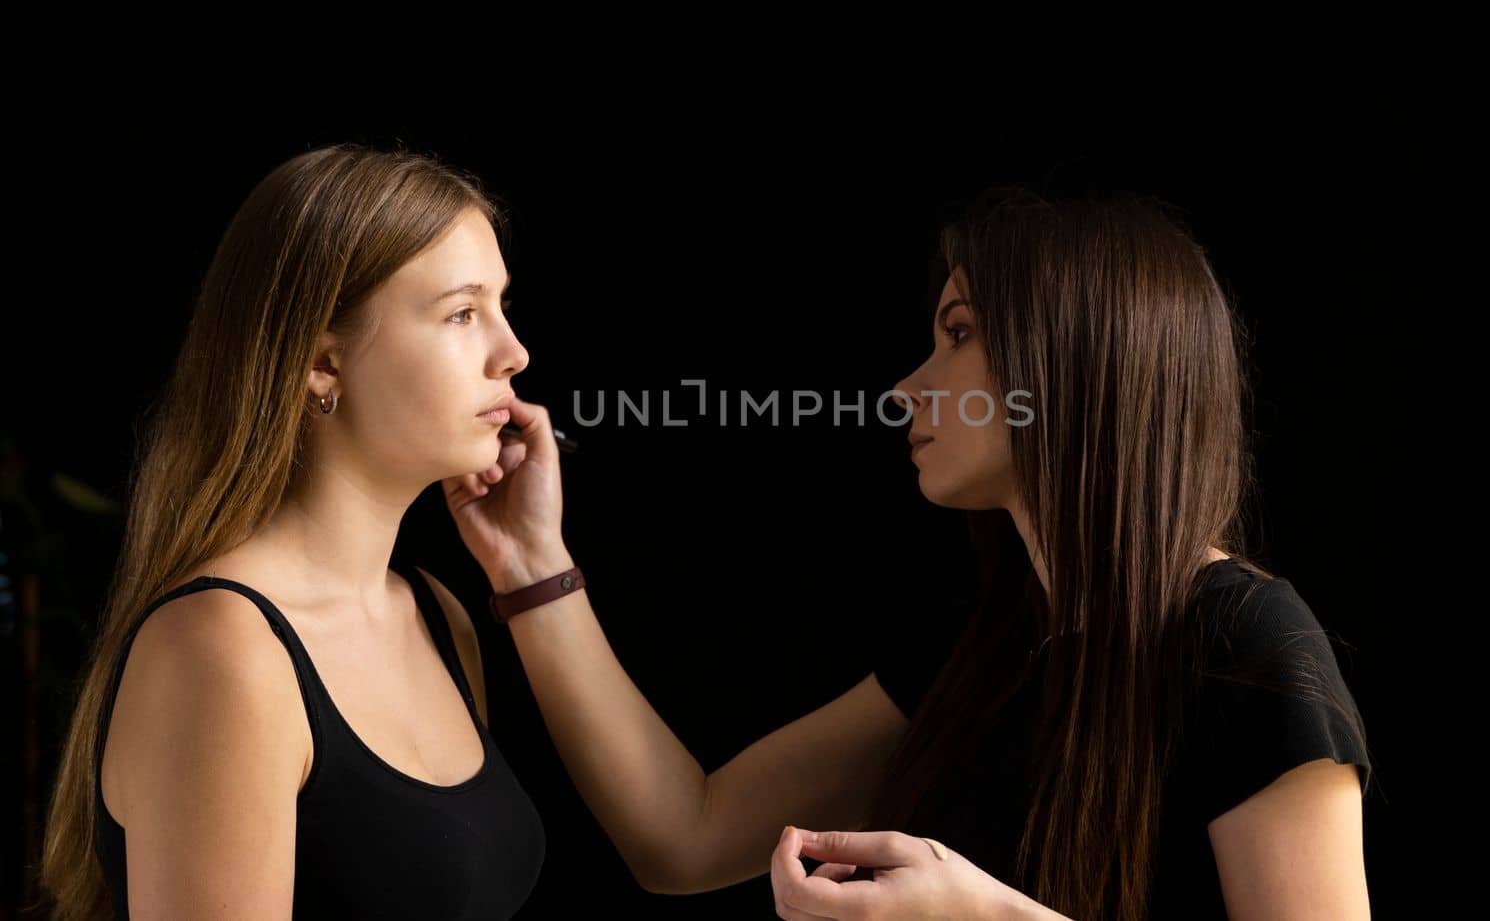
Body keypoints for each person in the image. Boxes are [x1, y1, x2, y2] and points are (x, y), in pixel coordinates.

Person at [450, 189, 1374, 920]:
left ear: (1077, 359)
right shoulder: (989, 643)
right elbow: (681, 840)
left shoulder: (1245, 645)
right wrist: (531, 562)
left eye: (959, 334)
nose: (906, 386)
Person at [37, 144, 545, 920]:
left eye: (503, 307)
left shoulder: (438, 618)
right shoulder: (222, 651)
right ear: (320, 362)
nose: (513, 353)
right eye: (462, 312)